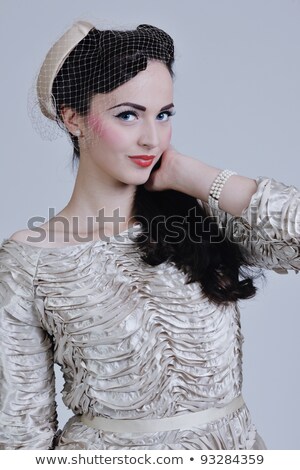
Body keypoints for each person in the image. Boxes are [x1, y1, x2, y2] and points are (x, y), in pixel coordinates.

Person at [0, 20, 299, 450]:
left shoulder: (198, 217)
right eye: (128, 115)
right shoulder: (29, 261)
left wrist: (192, 175)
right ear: (73, 118)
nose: (152, 138)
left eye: (164, 115)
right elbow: (19, 434)